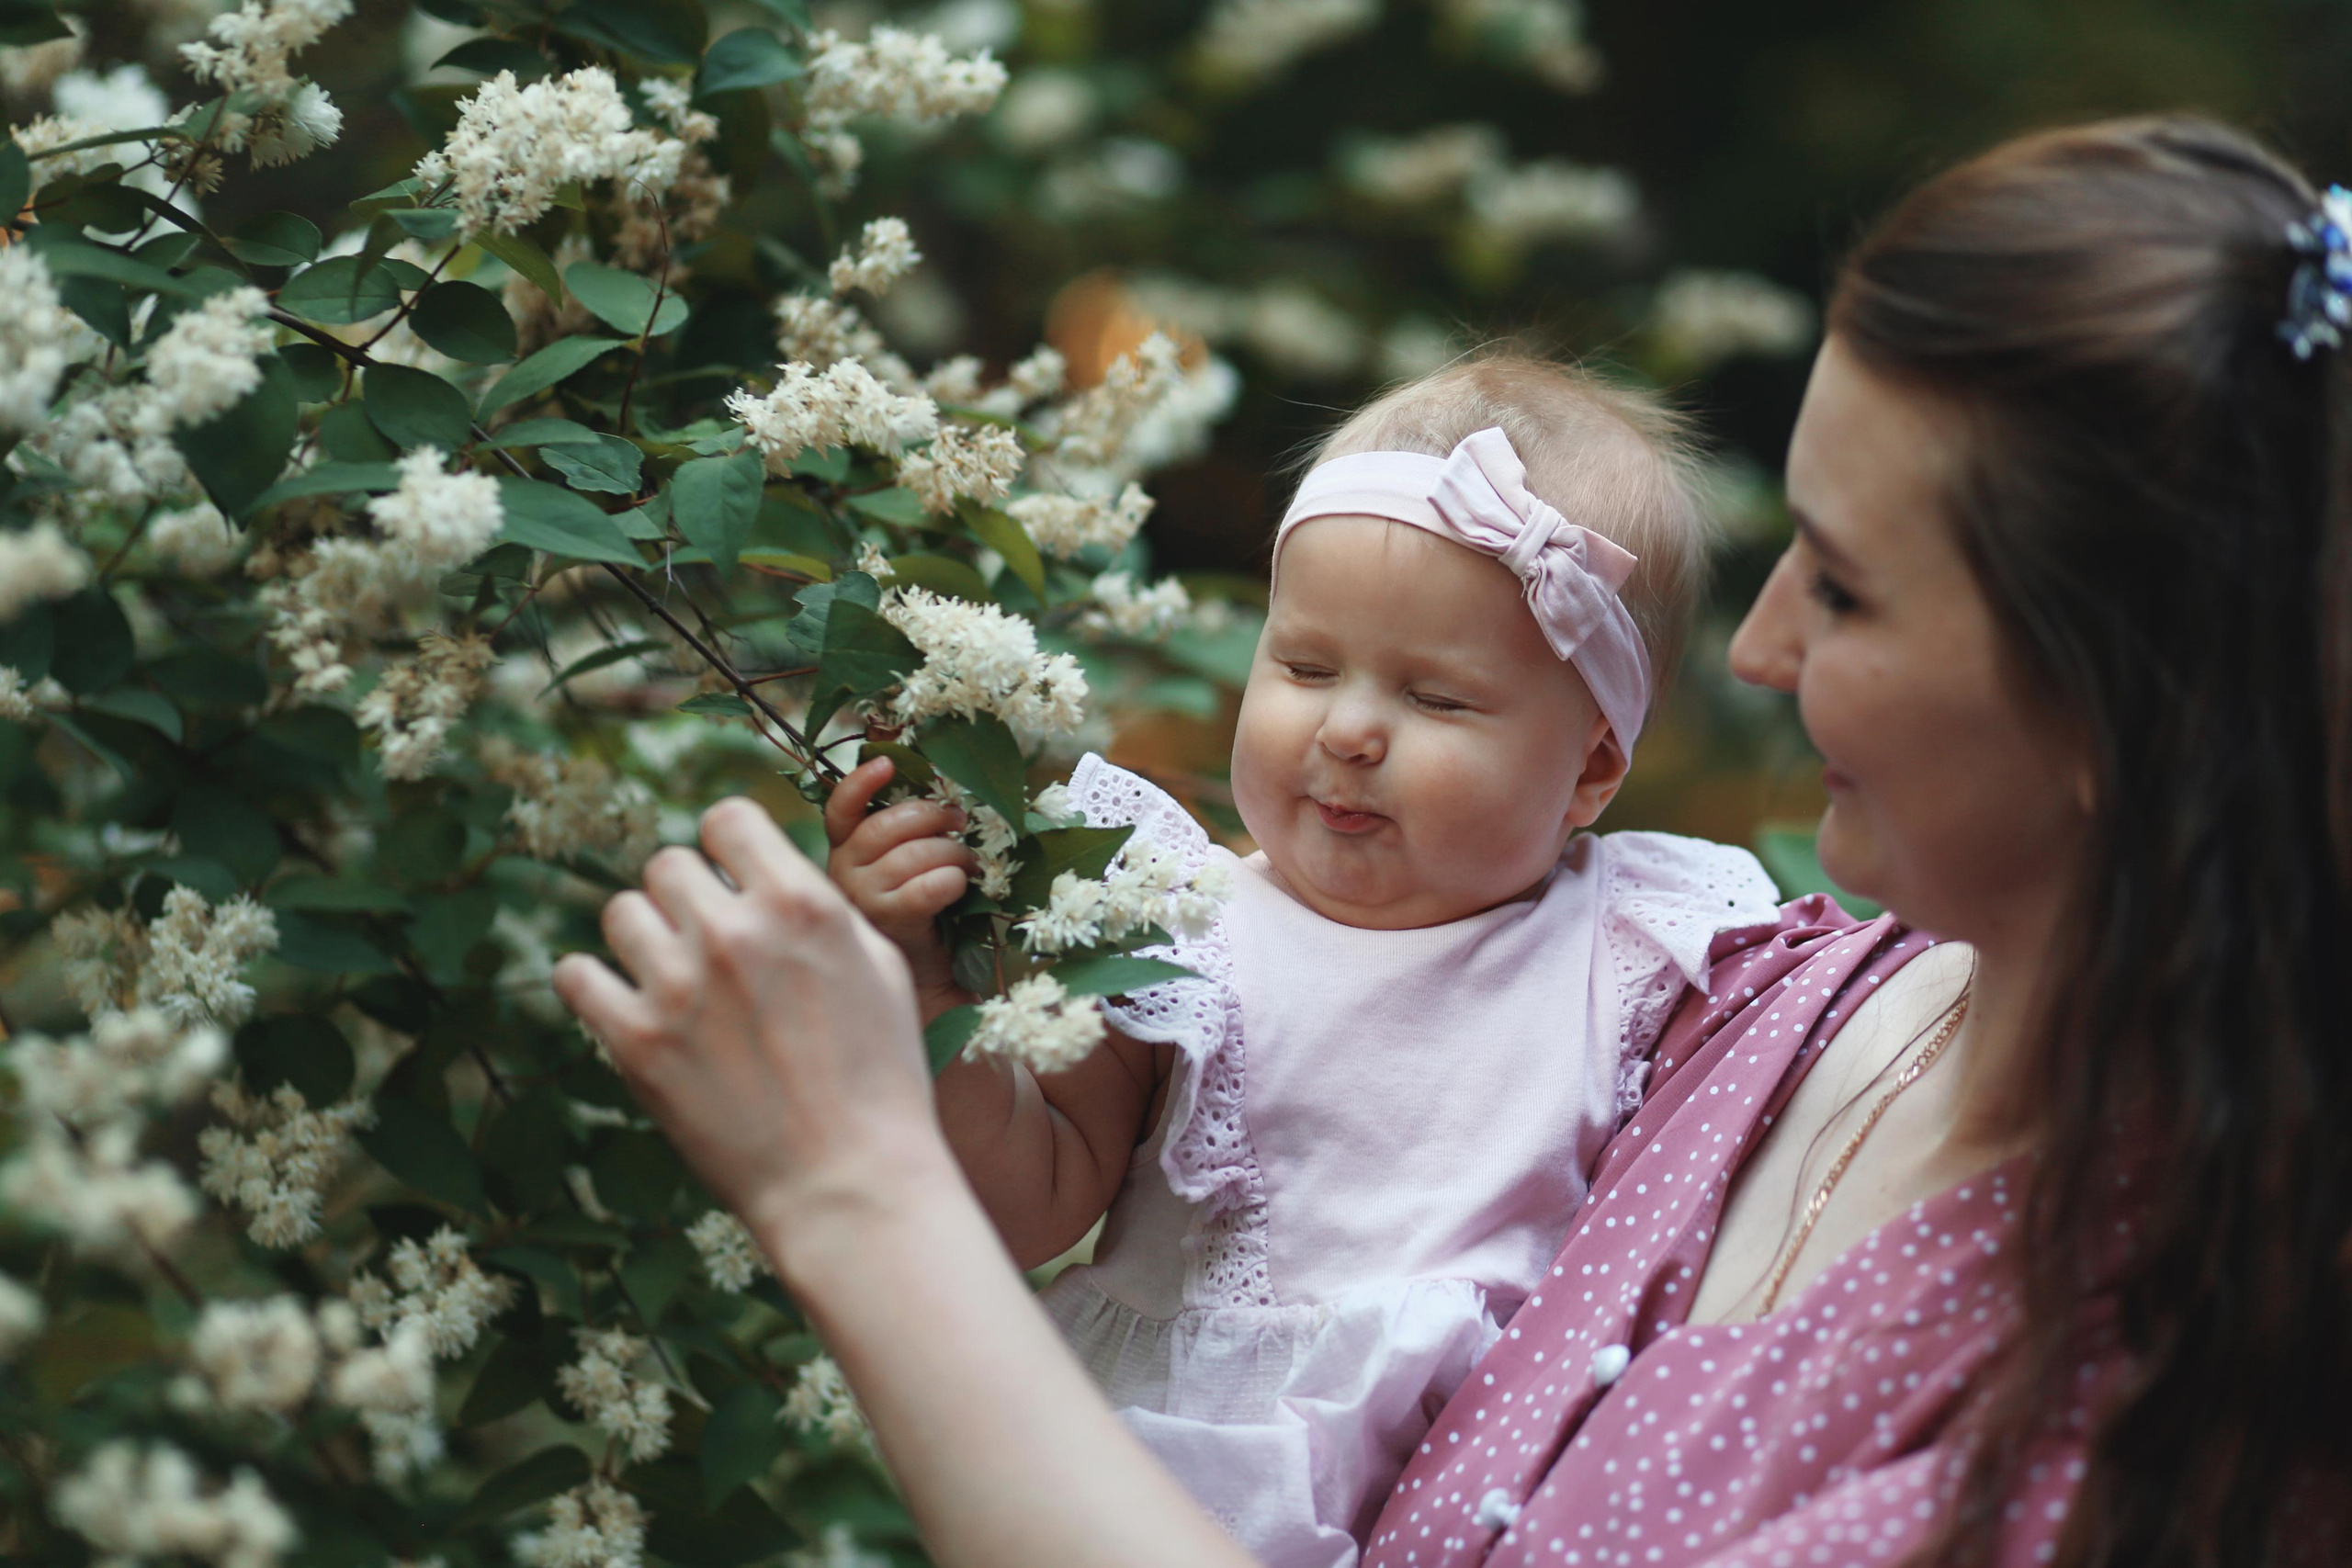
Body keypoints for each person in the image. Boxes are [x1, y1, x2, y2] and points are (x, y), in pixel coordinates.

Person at [553, 117, 2352, 1568]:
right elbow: (1051, 1167)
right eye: (1304, 660)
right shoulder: (1767, 994)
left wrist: (844, 1181)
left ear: (2129, 716)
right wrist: (931, 984)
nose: (1754, 651)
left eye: (1852, 585)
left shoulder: (2123, 1420)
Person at [820, 355, 1782, 1566]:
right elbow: (1029, 1201)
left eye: (1437, 698)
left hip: (1495, 1496)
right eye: (1306, 667)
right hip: (1178, 1497)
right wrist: (924, 989)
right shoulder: (1180, 925)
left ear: (1592, 768)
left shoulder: (1639, 946)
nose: (1348, 729)